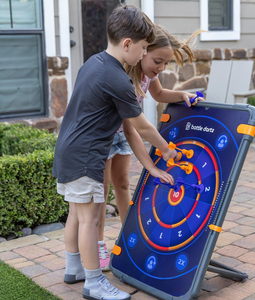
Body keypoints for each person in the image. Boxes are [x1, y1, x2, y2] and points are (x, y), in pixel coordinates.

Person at [52, 5, 179, 300]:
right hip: (86, 157)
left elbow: (131, 132)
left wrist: (151, 167)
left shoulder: (93, 63)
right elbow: (144, 128)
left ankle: (74, 269)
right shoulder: (119, 80)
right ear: (127, 44)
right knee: (90, 219)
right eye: (144, 48)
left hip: (67, 150)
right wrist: (166, 151)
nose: (143, 55)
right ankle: (94, 283)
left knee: (76, 213)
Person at [97, 24, 205, 271]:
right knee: (100, 194)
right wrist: (162, 150)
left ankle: (127, 238)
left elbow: (159, 95)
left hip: (124, 135)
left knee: (123, 185)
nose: (161, 68)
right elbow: (134, 128)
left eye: (165, 64)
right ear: (142, 51)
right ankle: (99, 244)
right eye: (158, 61)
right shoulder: (121, 76)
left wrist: (184, 95)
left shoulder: (150, 73)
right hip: (104, 137)